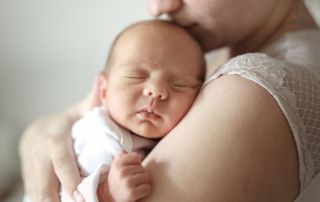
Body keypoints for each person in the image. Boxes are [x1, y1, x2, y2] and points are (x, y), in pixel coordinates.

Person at [19, 0, 320, 201]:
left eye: (179, 84)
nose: (158, 7)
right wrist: (39, 132)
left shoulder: (254, 91)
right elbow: (62, 124)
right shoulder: (205, 57)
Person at [58, 20, 204, 202]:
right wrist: (105, 194)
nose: (157, 91)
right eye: (136, 76)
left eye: (179, 85)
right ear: (103, 89)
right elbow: (62, 194)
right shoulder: (100, 136)